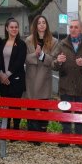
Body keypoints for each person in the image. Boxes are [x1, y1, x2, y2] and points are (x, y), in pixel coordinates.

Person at [52, 19, 82, 149]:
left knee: (79, 115)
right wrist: (58, 62)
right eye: (71, 27)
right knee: (66, 114)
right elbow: (52, 64)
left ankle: (80, 140)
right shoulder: (62, 44)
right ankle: (65, 139)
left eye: (76, 27)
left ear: (81, 29)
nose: (73, 29)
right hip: (65, 85)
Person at [25, 15, 58, 145]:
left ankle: (42, 133)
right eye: (39, 23)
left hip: (45, 77)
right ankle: (32, 134)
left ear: (47, 25)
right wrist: (35, 54)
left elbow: (54, 61)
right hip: (31, 77)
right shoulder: (28, 40)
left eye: (44, 22)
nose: (42, 25)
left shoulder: (53, 41)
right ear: (35, 25)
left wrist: (43, 56)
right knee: (31, 106)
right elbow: (26, 58)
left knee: (44, 106)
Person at [0, 18, 27, 131]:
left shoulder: (21, 44)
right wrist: (1, 74)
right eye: (11, 27)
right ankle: (5, 127)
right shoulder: (1, 43)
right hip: (2, 80)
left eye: (16, 27)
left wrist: (7, 75)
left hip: (16, 80)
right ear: (7, 28)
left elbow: (19, 62)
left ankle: (15, 129)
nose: (14, 29)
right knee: (5, 104)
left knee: (15, 105)